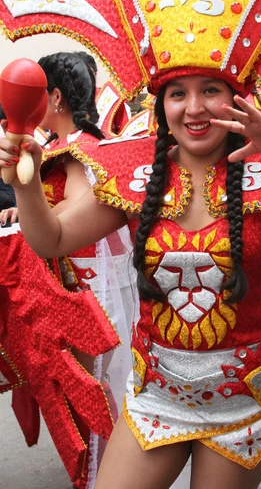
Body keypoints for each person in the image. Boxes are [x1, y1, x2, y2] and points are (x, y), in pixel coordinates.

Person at [0, 63, 261, 489]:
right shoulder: (136, 176)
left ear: (236, 98)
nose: (194, 108)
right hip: (157, 394)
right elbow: (52, 239)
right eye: (177, 94)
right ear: (160, 104)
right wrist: (23, 183)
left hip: (245, 400)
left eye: (210, 90)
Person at [0, 51, 133, 488]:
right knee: (89, 388)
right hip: (82, 279)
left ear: (54, 97)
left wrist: (32, 203)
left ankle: (101, 475)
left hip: (80, 284)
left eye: (37, 96)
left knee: (87, 388)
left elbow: (74, 209)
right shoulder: (72, 144)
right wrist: (23, 211)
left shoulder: (75, 149)